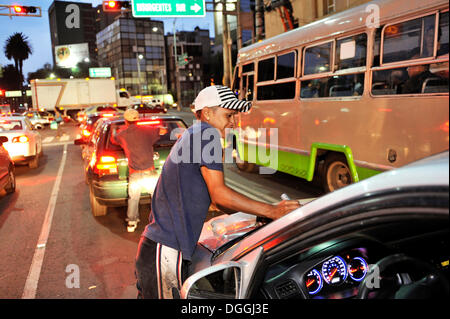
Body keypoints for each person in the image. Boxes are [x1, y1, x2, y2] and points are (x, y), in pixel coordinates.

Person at [134, 85, 301, 299]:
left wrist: (257, 216)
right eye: (228, 115)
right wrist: (272, 211)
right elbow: (220, 194)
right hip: (166, 248)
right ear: (207, 113)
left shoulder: (194, 134)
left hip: (160, 247)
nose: (232, 122)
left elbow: (219, 203)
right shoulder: (207, 134)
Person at [110, 108, 160, 232]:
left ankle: (132, 223)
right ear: (138, 120)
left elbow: (113, 139)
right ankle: (158, 220)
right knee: (155, 196)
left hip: (135, 173)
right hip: (149, 170)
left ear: (126, 121)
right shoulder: (148, 131)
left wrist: (114, 129)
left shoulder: (122, 134)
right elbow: (160, 132)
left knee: (133, 198)